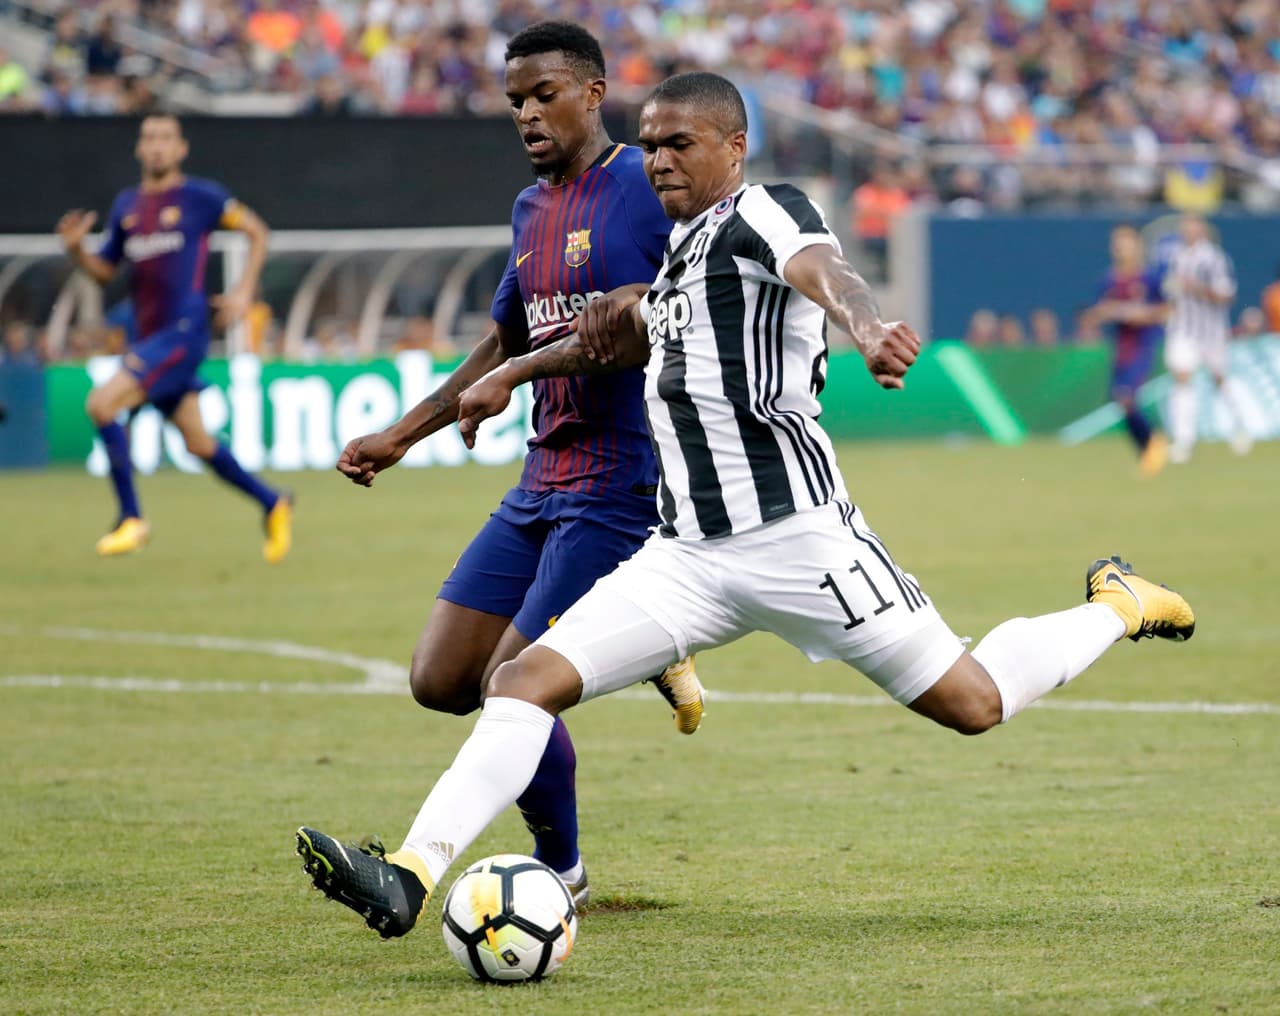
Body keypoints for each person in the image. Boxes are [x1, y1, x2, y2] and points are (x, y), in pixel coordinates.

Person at [295, 72, 1196, 939]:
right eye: (650, 146)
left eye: (679, 143)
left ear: (734, 146)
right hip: (686, 558)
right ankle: (410, 872)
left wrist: (868, 327)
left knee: (974, 702)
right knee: (521, 683)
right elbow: (624, 336)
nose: (659, 160)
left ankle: (1117, 604)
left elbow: (822, 269)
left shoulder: (764, 210)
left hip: (803, 544)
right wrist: (512, 374)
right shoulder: (682, 255)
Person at [305, 22, 703, 923]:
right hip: (541, 478)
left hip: (624, 482)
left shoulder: (646, 189)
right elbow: (504, 340)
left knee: (508, 685)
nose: (526, 113)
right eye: (516, 100)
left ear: (594, 94)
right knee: (439, 679)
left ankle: (561, 869)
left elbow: (675, 310)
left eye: (544, 94)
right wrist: (404, 433)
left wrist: (616, 320)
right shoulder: (530, 209)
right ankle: (653, 645)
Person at [56, 114, 293, 561]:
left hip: (183, 334)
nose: (157, 146)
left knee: (101, 404)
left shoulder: (201, 197)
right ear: (139, 148)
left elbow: (257, 232)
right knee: (198, 443)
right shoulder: (127, 206)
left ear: (181, 148)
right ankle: (273, 502)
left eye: (166, 138)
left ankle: (131, 518)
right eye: (149, 138)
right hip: (148, 339)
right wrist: (76, 252)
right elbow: (105, 271)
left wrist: (243, 291)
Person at [1162, 214, 1251, 460]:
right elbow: (1172, 293)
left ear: (1202, 229)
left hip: (1211, 331)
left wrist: (1195, 287)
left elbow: (1226, 295)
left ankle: (1240, 425)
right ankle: (1184, 441)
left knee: (1219, 379)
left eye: (1192, 226)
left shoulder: (1214, 258)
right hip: (1183, 329)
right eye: (1184, 226)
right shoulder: (1177, 256)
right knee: (1181, 378)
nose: (1187, 230)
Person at [1088, 224, 1169, 476]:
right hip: (1122, 346)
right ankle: (1147, 449)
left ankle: (1153, 443)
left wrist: (1142, 314)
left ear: (1137, 246)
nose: (1120, 249)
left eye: (1125, 244)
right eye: (1117, 244)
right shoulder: (1108, 280)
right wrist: (1107, 313)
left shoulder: (1150, 278)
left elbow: (1166, 310)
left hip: (1145, 344)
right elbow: (1098, 311)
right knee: (1119, 399)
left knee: (1127, 396)